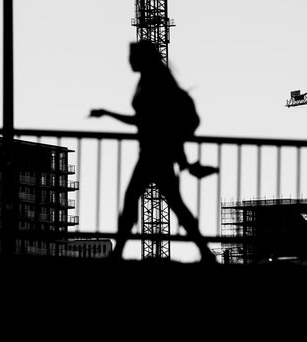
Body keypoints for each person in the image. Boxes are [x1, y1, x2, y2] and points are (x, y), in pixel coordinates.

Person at [89, 40, 217, 263]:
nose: (129, 62)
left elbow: (145, 120)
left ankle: (118, 252)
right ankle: (205, 252)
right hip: (157, 154)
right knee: (173, 203)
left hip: (153, 154)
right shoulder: (154, 79)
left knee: (135, 200)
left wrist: (107, 113)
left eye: (132, 57)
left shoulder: (153, 82)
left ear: (141, 58)